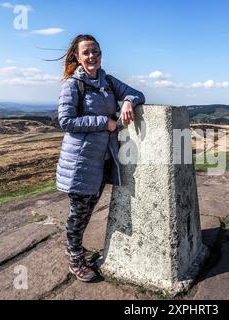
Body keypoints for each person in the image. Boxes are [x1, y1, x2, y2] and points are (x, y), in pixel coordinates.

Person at [56, 34, 145, 282]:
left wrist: (127, 101)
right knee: (79, 213)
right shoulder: (72, 85)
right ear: (77, 56)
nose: (92, 56)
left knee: (87, 209)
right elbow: (66, 121)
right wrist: (105, 122)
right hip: (80, 162)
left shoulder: (106, 81)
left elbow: (137, 92)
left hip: (100, 160)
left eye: (95, 51)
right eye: (86, 52)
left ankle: (75, 248)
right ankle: (75, 257)